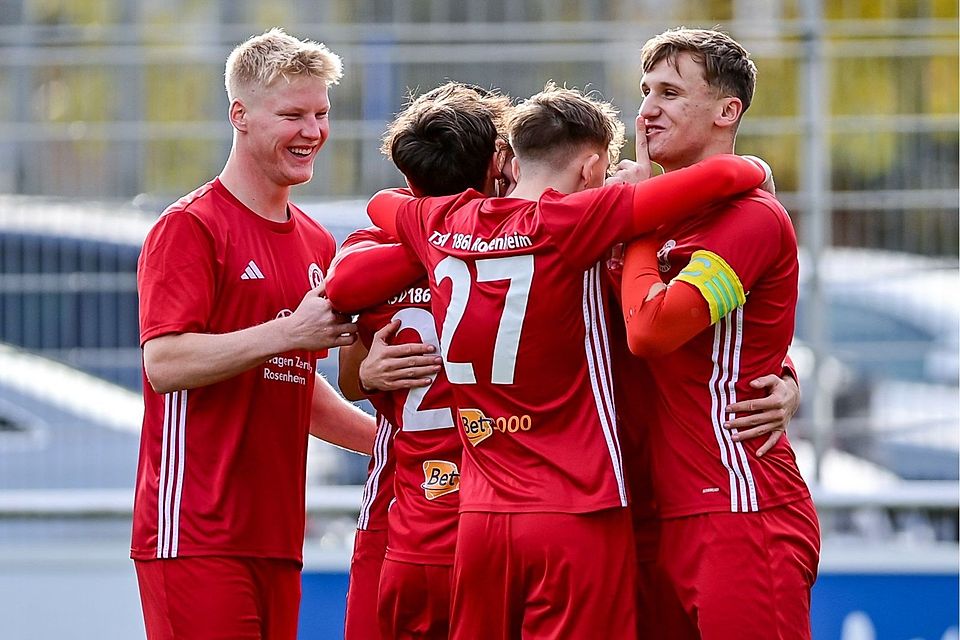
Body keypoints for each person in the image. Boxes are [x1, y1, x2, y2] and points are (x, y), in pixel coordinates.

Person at [365, 82, 772, 639]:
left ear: (511, 158)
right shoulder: (577, 219)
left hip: (480, 519)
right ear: (591, 168)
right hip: (575, 509)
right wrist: (752, 167)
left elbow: (382, 206)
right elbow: (728, 176)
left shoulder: (444, 221)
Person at [131, 28, 376, 640]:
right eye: (292, 114)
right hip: (194, 533)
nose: (312, 131)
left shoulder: (318, 242)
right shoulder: (190, 227)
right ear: (239, 115)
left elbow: (296, 384)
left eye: (321, 113)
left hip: (276, 535)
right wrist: (286, 331)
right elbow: (164, 362)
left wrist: (391, 443)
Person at [618, 27, 821, 639]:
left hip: (737, 508)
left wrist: (637, 222)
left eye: (672, 94)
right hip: (642, 514)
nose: (648, 110)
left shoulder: (749, 217)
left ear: (726, 111)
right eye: (646, 91)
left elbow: (651, 330)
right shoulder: (632, 207)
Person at [327, 82, 515, 640]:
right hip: (494, 499)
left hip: (410, 511)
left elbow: (350, 374)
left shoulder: (368, 250)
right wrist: (365, 374)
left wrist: (362, 374)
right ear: (497, 164)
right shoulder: (525, 247)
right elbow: (353, 381)